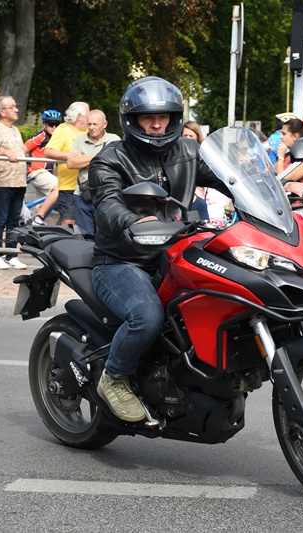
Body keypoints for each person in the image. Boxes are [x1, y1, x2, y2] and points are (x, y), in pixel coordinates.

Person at [88, 76, 224, 422]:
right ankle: (114, 378)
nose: (156, 124)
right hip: (123, 260)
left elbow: (229, 177)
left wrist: (271, 190)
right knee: (147, 318)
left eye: (163, 117)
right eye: (148, 117)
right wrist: (133, 221)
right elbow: (106, 204)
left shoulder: (189, 151)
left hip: (177, 254)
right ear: (131, 120)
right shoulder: (110, 159)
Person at [0, 95, 28, 270]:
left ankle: (12, 255)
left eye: (15, 106)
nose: (16, 110)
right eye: (12, 107)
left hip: (19, 183)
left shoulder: (15, 130)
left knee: (14, 221)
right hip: (3, 183)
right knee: (0, 220)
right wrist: (5, 153)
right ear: (2, 111)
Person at [66, 109, 121, 235]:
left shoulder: (114, 139)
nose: (91, 127)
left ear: (104, 124)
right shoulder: (79, 140)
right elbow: (71, 164)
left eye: (95, 124)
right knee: (85, 235)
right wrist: (100, 157)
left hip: (107, 194)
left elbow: (115, 163)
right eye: (89, 124)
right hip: (82, 194)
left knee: (106, 234)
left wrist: (82, 159)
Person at [44, 101, 89, 227]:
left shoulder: (89, 130)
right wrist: (69, 155)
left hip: (87, 186)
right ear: (79, 116)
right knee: (69, 222)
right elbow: (48, 152)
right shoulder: (63, 130)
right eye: (88, 114)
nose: (90, 117)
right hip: (69, 187)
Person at [24, 110, 63, 225]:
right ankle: (39, 217)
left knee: (41, 205)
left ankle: (36, 225)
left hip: (46, 174)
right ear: (45, 124)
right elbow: (22, 150)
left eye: (57, 125)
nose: (54, 127)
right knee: (60, 188)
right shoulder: (40, 137)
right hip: (37, 172)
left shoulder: (57, 139)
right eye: (51, 124)